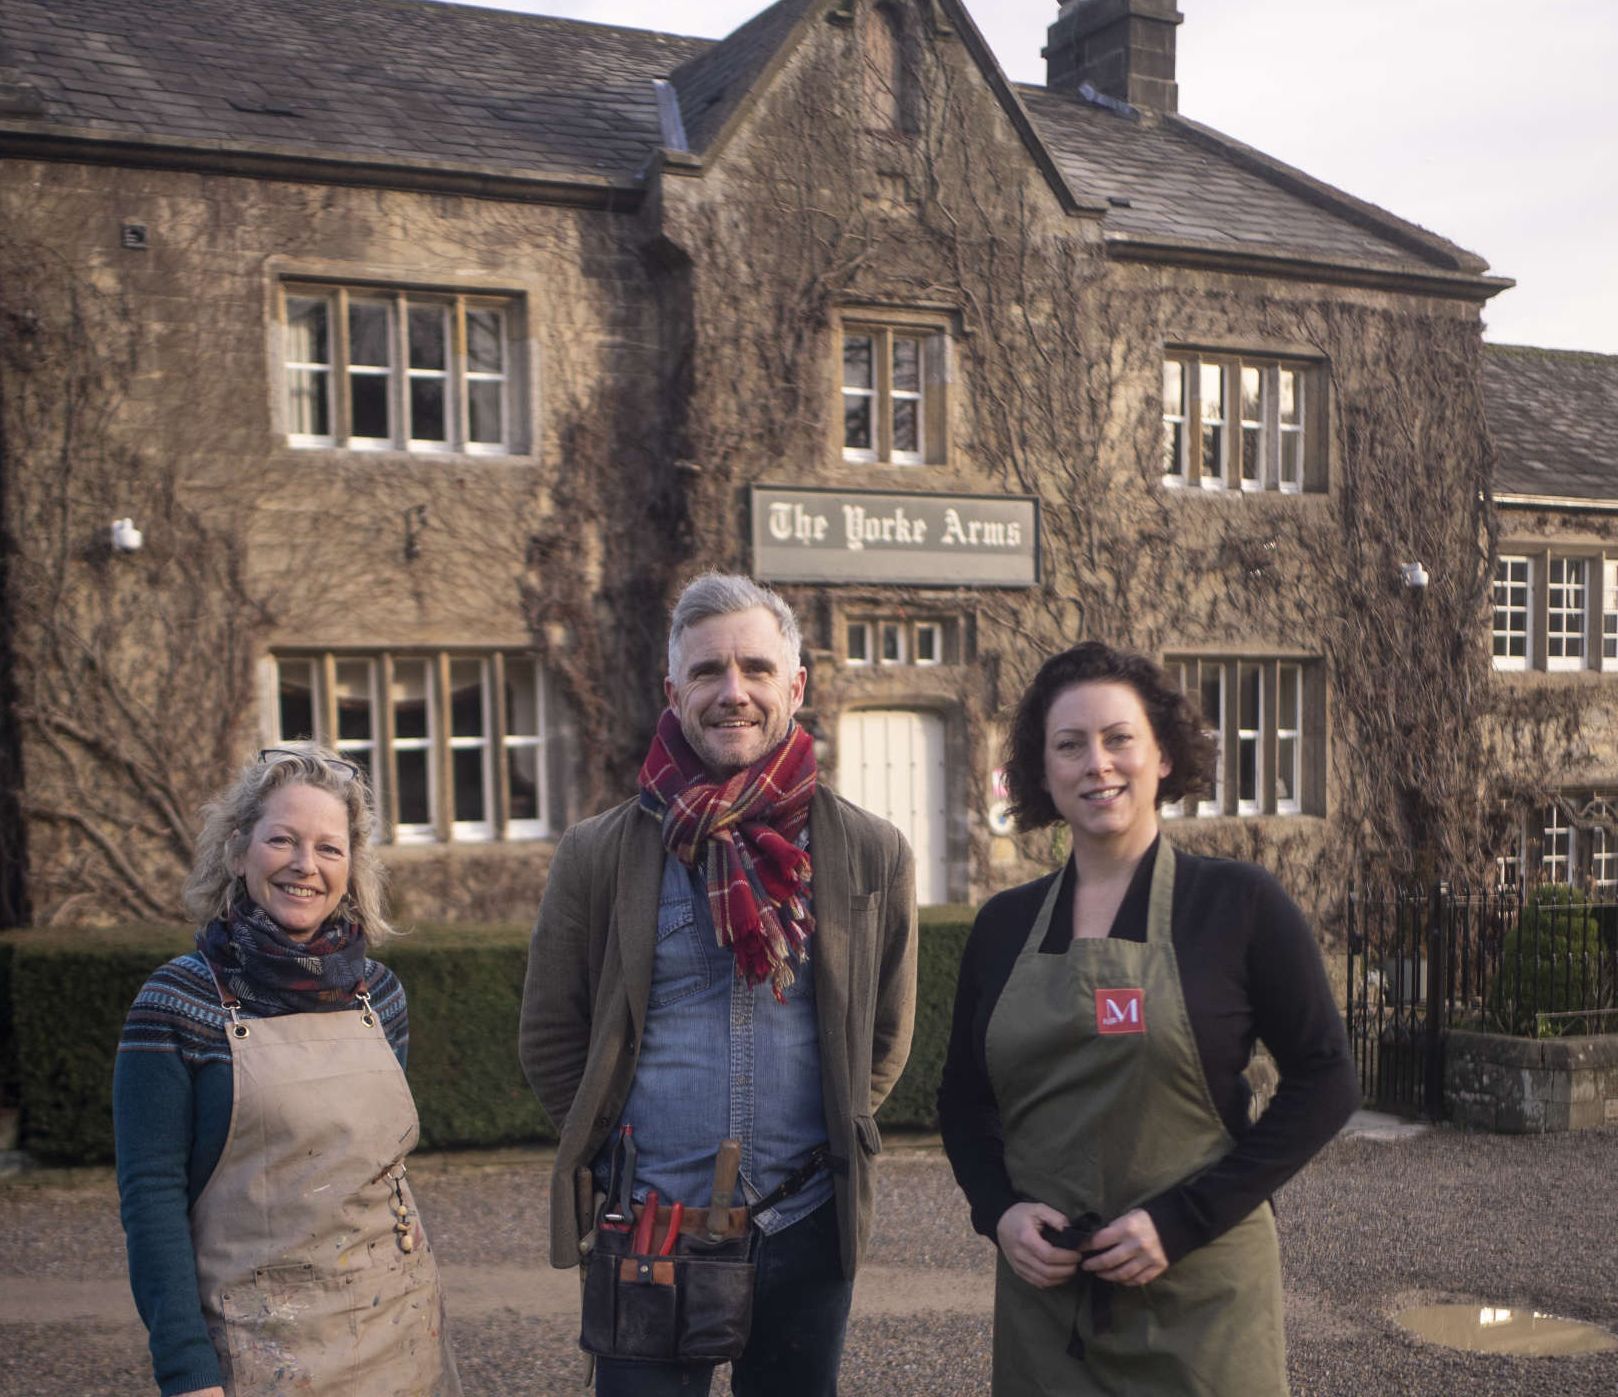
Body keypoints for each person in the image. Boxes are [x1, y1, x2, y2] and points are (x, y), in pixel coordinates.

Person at [520, 571, 918, 1397]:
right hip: (653, 1230)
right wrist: (616, 1158)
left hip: (806, 1225)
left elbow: (884, 1033)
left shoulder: (873, 853)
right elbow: (551, 1036)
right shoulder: (598, 855)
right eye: (707, 672)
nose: (732, 692)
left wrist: (834, 1140)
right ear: (674, 689)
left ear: (796, 686)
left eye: (757, 669)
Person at [938, 642, 1359, 1396]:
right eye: (1069, 746)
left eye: (1118, 738)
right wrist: (998, 1214)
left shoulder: (1239, 905)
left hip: (1202, 1305)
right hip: (1049, 1316)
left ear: (1162, 755)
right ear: (1042, 773)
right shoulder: (1002, 926)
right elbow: (964, 1103)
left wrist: (1184, 1220)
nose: (1097, 763)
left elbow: (1327, 1080)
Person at [114, 746, 461, 1397]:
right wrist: (187, 1373)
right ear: (238, 852)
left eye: (330, 849)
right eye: (283, 841)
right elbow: (151, 1203)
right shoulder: (175, 1005)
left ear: (351, 868)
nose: (306, 866)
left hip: (399, 1330)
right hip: (258, 1354)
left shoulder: (378, 995)